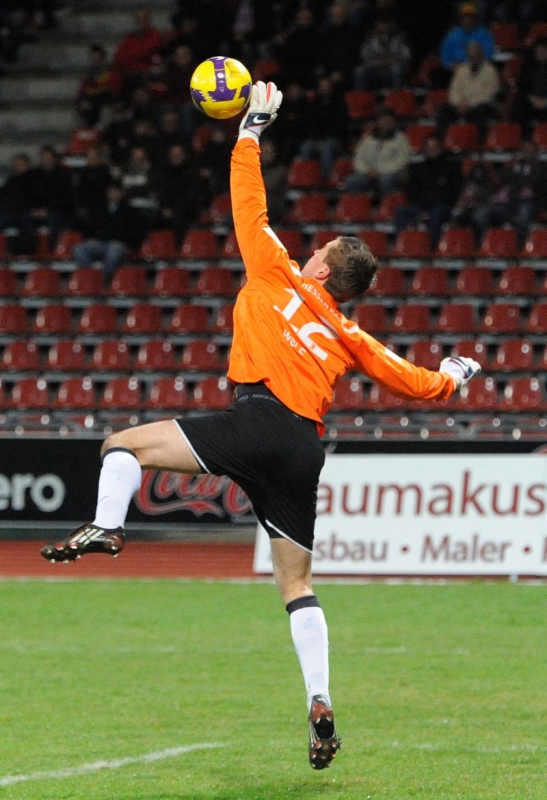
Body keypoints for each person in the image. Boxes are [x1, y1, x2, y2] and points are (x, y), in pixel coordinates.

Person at [40, 81, 481, 771]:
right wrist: (456, 372)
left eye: (322, 248)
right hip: (303, 448)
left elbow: (250, 204)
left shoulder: (277, 272)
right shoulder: (350, 331)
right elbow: (415, 383)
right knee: (296, 585)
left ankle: (109, 526)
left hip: (256, 420)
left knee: (119, 444)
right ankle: (320, 701)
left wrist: (250, 131)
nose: (313, 250)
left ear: (323, 265)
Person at [394, 134, 462, 247]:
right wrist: (422, 209)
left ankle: (431, 246)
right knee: (401, 211)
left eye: (435, 147)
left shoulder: (451, 168)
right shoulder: (417, 169)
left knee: (438, 212)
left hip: (443, 206)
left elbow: (454, 192)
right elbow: (411, 191)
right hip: (421, 206)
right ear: (424, 149)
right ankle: (400, 244)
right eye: (429, 148)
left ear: (440, 148)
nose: (432, 151)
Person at [72, 182, 144, 278]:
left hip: (119, 242)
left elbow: (134, 232)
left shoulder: (130, 211)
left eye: (116, 192)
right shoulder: (99, 209)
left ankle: (106, 278)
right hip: (99, 241)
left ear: (122, 194)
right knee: (79, 250)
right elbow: (90, 227)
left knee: (113, 251)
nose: (113, 194)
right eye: (111, 192)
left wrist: (129, 244)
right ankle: (91, 277)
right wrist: (90, 238)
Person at [436, 40, 500, 142]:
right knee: (443, 110)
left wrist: (469, 104)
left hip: (480, 106)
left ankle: (480, 143)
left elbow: (489, 94)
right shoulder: (461, 70)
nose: (473, 57)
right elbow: (453, 91)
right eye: (470, 55)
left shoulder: (491, 71)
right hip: (460, 105)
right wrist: (459, 104)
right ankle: (441, 141)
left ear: (481, 54)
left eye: (475, 54)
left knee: (482, 112)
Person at [343, 106, 411, 197]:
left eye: (388, 120)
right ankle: (359, 208)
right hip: (368, 173)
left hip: (391, 174)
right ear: (378, 122)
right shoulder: (368, 138)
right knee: (351, 181)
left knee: (387, 180)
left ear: (393, 122)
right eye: (382, 120)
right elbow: (358, 158)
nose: (385, 122)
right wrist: (367, 171)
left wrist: (381, 171)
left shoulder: (401, 139)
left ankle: (388, 206)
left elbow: (402, 161)